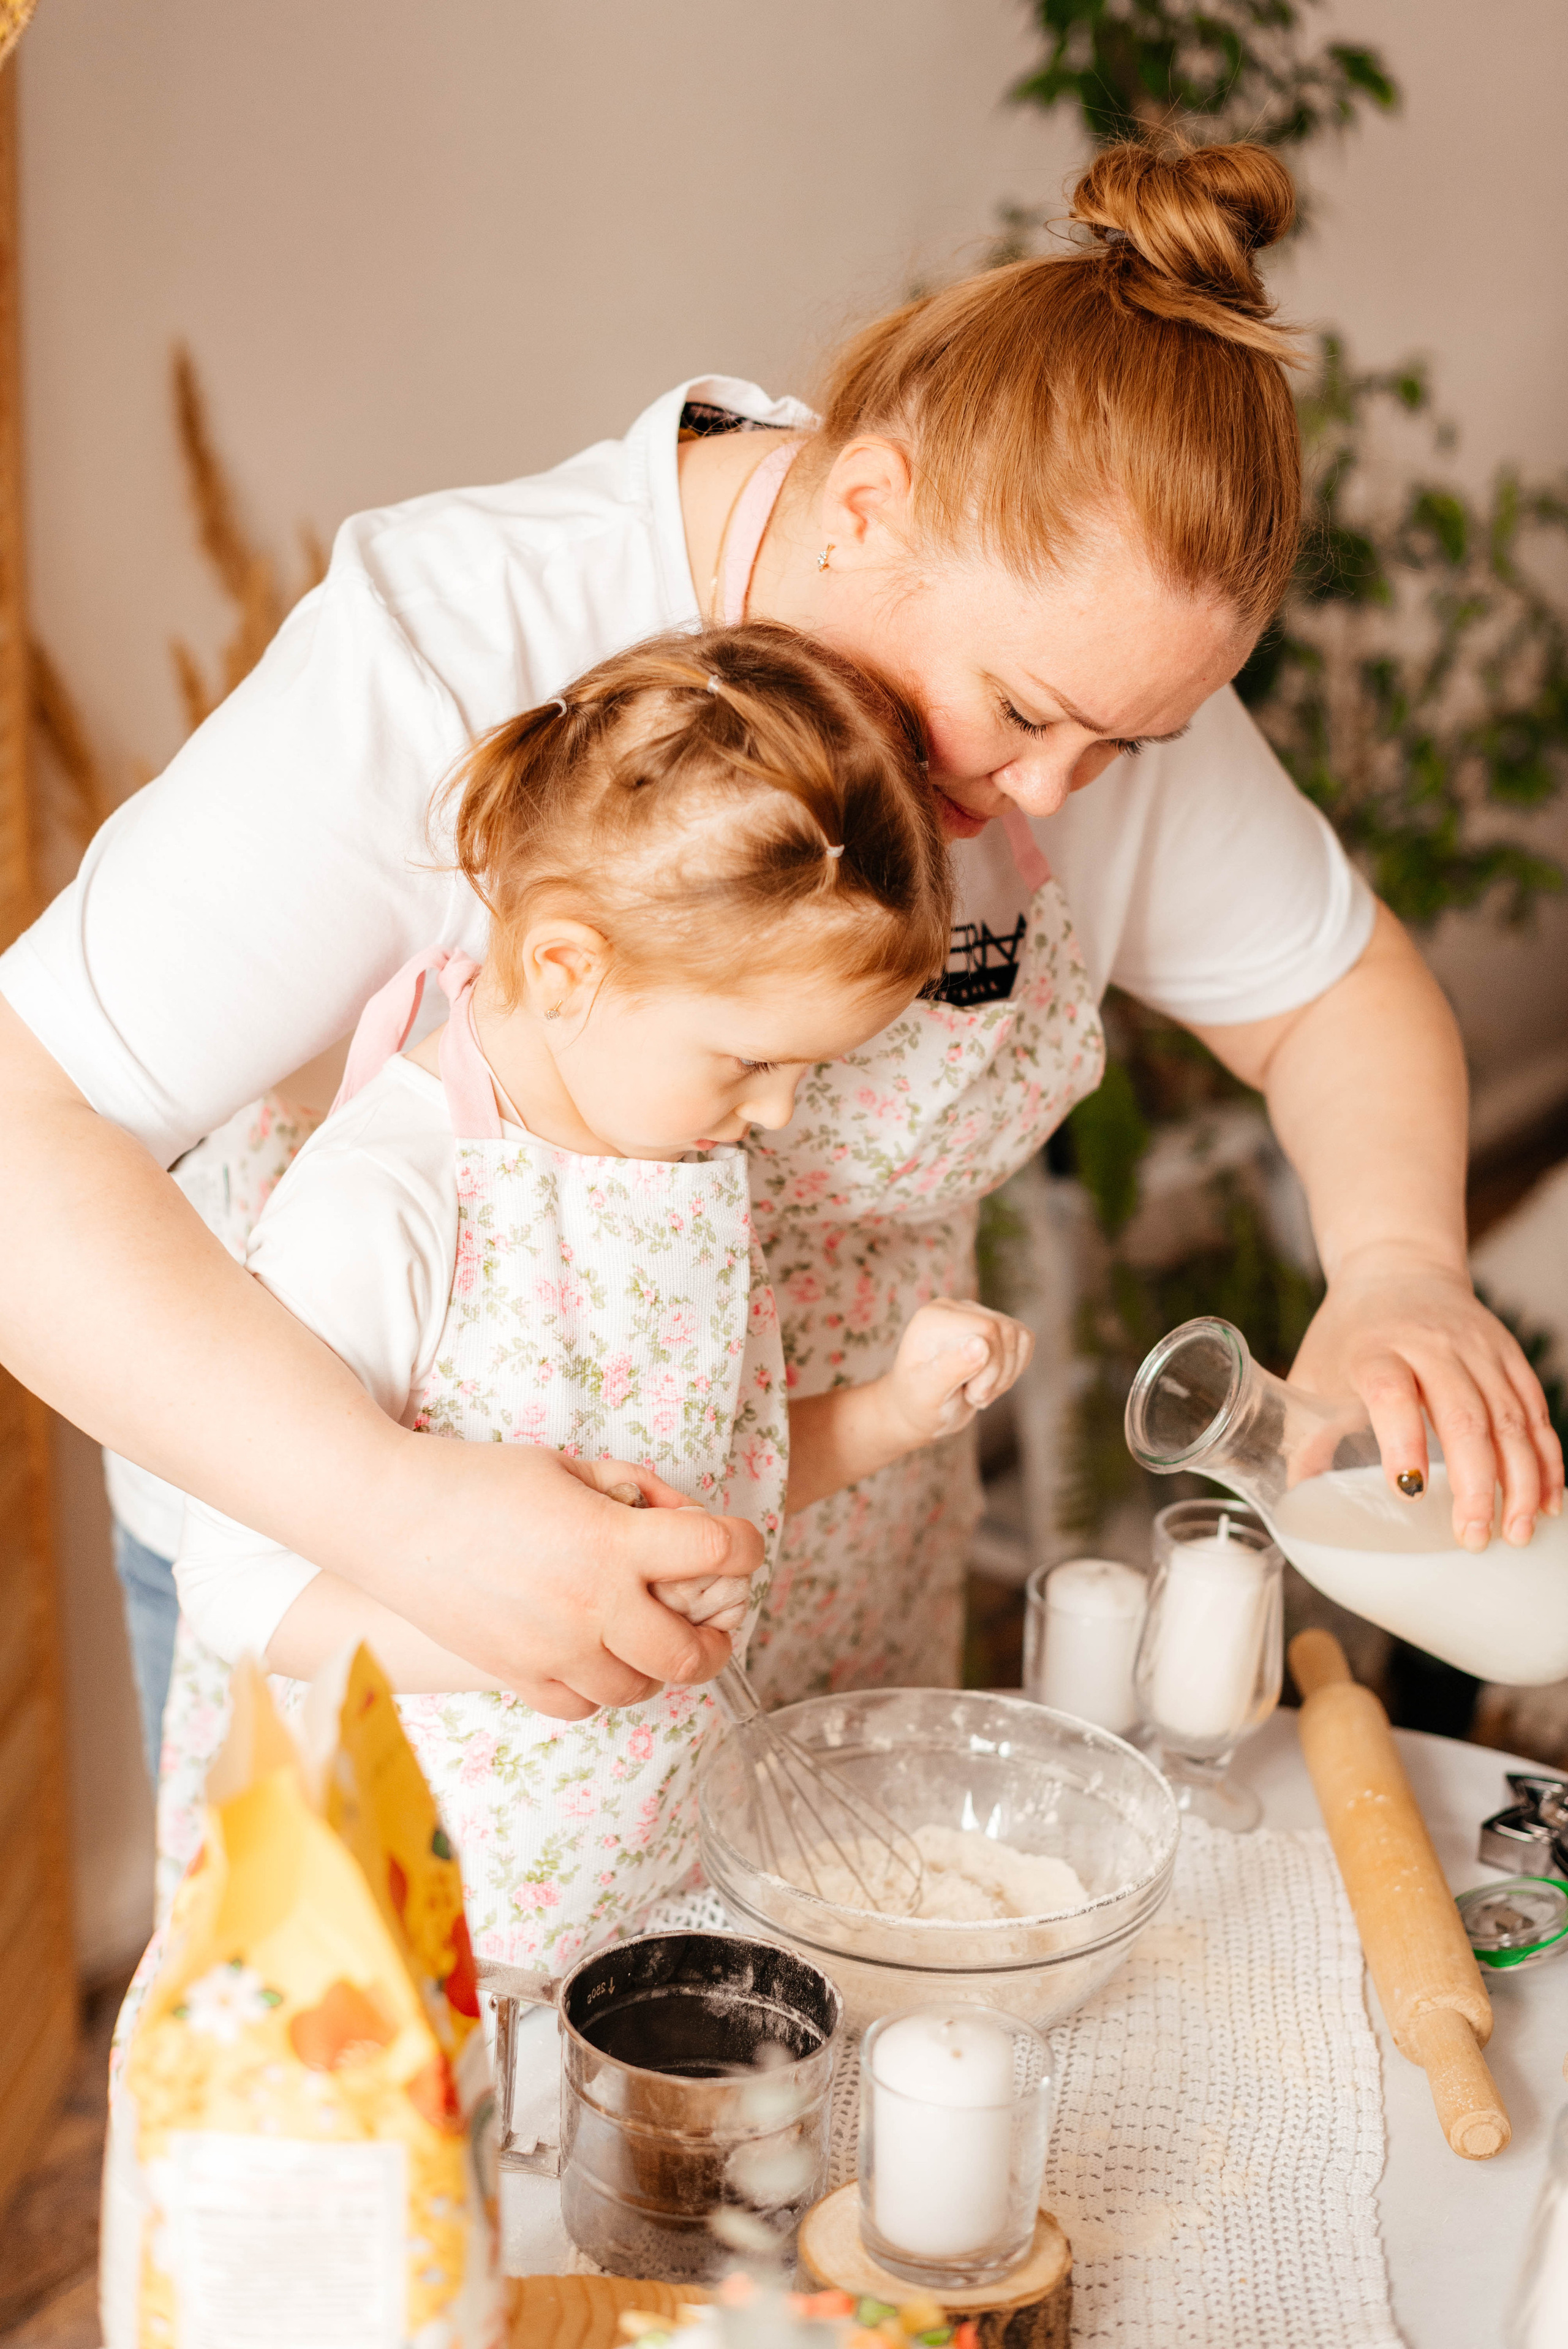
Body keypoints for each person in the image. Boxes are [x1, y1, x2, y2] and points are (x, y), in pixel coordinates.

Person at [1, 137, 1559, 1774]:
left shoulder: (1084, 662)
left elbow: (1331, 992)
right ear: (871, 497)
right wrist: (396, 1512)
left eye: (1126, 749)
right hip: (390, 1604)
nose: (1045, 794)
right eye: (1024, 714)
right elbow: (27, 1135)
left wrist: (1396, 1266)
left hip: (816, 1592)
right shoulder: (455, 645)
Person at [161, 623, 1033, 1962]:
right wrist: (506, 1633)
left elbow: (703, 1488)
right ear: (568, 966)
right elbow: (236, 1589)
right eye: (748, 1063)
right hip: (401, 1918)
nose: (778, 1114)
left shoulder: (669, 1161)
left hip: (639, 1875)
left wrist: (890, 1414)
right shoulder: (383, 1209)